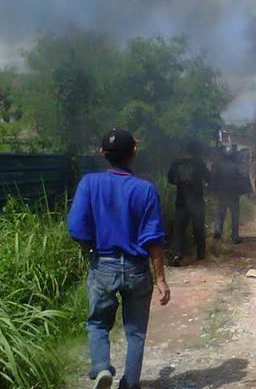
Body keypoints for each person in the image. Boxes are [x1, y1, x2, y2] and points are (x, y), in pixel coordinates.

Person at [68, 129, 170, 389]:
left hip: (104, 264)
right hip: (137, 268)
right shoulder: (145, 189)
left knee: (98, 323)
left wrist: (90, 251)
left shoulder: (89, 183)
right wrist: (161, 279)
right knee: (135, 333)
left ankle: (102, 367)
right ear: (133, 153)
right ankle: (130, 384)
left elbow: (76, 228)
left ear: (104, 155)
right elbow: (153, 238)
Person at [167, 141, 209, 262]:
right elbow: (207, 177)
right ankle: (201, 254)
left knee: (179, 229)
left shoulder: (176, 162)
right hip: (197, 200)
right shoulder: (198, 162)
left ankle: (177, 254)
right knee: (199, 228)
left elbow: (170, 178)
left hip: (181, 200)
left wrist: (179, 182)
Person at [212, 145, 244, 244]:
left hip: (222, 193)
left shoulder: (219, 165)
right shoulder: (236, 166)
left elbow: (213, 179)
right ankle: (234, 237)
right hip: (234, 195)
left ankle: (218, 230)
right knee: (234, 216)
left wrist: (214, 191)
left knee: (220, 214)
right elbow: (241, 179)